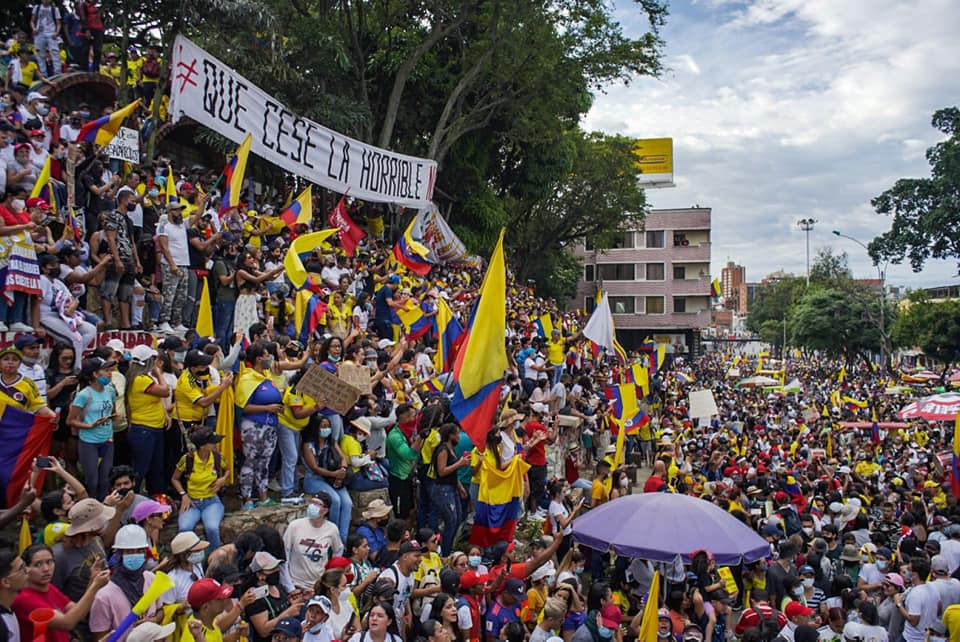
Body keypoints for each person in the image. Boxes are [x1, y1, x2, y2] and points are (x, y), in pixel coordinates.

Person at [12, 544, 110, 642]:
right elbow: (67, 623)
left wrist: (92, 581)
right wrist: (95, 587)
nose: (46, 569)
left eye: (49, 562)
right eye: (38, 564)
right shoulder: (25, 599)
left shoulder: (49, 588)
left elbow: (79, 613)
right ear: (26, 569)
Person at [89, 525, 165, 641]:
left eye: (140, 551)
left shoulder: (151, 579)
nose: (135, 555)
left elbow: (160, 610)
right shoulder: (104, 596)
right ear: (119, 555)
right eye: (129, 552)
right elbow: (99, 637)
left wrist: (154, 620)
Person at [236, 342, 282, 510]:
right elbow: (243, 406)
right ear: (257, 358)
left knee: (264, 463)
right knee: (250, 462)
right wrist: (266, 408)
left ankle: (263, 496)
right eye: (265, 355)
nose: (269, 358)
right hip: (253, 426)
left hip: (271, 426)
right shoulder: (247, 379)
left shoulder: (267, 376)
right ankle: (247, 498)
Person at [68, 356, 118, 499]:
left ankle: (105, 508)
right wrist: (90, 425)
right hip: (89, 441)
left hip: (108, 439)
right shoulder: (84, 395)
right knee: (92, 481)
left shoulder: (110, 390)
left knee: (105, 479)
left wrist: (114, 417)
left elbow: (112, 411)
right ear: (95, 374)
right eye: (106, 370)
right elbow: (70, 420)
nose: (110, 373)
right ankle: (90, 507)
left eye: (110, 370)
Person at [172, 428, 230, 550]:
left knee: (212, 528)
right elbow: (175, 479)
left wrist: (222, 480)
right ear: (203, 445)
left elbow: (228, 469)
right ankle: (187, 557)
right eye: (212, 442)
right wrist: (183, 495)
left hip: (211, 501)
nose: (216, 444)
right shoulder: (188, 459)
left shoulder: (217, 457)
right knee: (184, 528)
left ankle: (215, 555)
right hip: (192, 503)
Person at [301, 416, 353, 540]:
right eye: (323, 427)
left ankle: (343, 538)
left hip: (333, 478)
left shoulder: (332, 442)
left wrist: (342, 472)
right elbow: (314, 467)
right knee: (335, 500)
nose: (327, 429)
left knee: (347, 502)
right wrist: (334, 475)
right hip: (315, 479)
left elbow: (343, 458)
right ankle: (332, 534)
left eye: (328, 426)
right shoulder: (308, 445)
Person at [283, 493, 344, 590]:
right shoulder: (295, 526)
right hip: (296, 584)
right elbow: (285, 554)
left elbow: (338, 550)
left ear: (325, 510)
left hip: (317, 585)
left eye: (317, 504)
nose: (312, 506)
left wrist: (329, 573)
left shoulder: (331, 529)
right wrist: (288, 585)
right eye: (312, 502)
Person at [242, 552, 305, 642]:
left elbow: (285, 606)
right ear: (260, 575)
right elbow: (263, 631)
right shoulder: (255, 596)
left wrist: (301, 599)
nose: (276, 570)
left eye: (276, 567)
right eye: (271, 569)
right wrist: (288, 613)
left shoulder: (278, 586)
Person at [431, 423, 470, 555]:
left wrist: (459, 486)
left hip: (452, 486)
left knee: (457, 518)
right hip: (443, 489)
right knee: (451, 521)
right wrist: (459, 464)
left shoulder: (451, 448)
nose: (459, 437)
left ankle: (448, 546)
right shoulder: (443, 450)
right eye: (457, 434)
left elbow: (451, 472)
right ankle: (445, 552)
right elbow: (441, 471)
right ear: (450, 435)